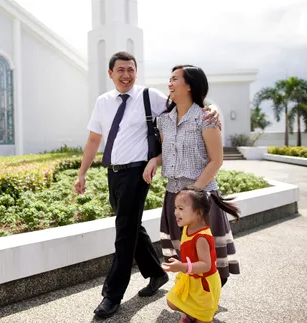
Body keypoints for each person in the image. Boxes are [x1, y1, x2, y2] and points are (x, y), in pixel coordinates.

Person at [74, 52, 220, 319]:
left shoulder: (148, 96)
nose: (126, 75)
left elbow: (187, 102)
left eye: (131, 69)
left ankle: (112, 295)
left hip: (137, 174)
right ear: (110, 74)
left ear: (136, 72)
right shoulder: (103, 102)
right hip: (114, 173)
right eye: (120, 70)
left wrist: (213, 107)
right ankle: (156, 272)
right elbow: (94, 140)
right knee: (130, 225)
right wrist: (82, 172)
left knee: (124, 234)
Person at [143, 64, 240, 289]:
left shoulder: (206, 117)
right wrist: (154, 160)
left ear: (189, 86)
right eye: (170, 78)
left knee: (207, 256)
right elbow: (168, 154)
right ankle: (194, 298)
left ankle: (206, 300)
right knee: (184, 253)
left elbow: (216, 160)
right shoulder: (164, 121)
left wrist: (192, 193)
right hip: (173, 197)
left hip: (200, 197)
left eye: (175, 79)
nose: (170, 83)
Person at [162, 185, 240, 323]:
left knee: (202, 319)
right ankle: (191, 314)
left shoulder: (201, 238)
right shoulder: (187, 226)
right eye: (175, 208)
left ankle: (195, 316)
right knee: (172, 302)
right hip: (191, 279)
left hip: (204, 287)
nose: (175, 213)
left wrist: (182, 267)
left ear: (198, 213)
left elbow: (205, 265)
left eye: (181, 209)